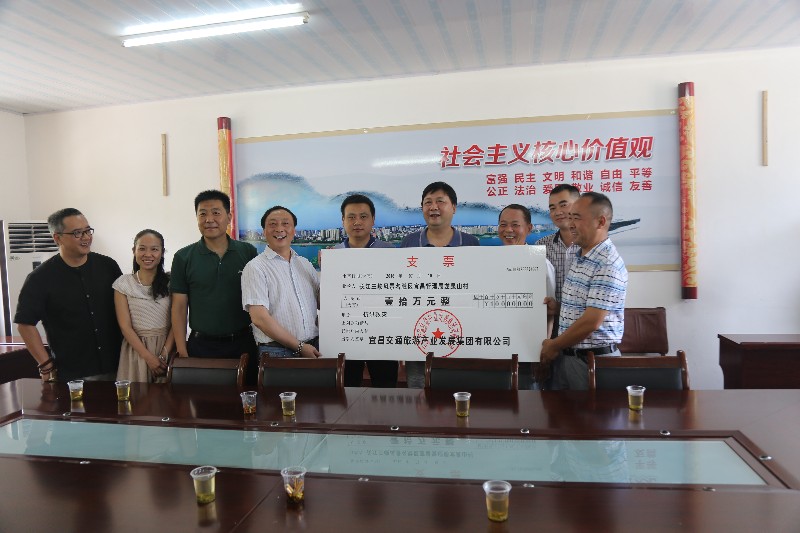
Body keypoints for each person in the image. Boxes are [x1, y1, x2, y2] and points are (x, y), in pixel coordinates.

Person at [14, 208, 122, 382]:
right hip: (74, 372)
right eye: (77, 233)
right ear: (57, 238)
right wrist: (45, 364)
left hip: (119, 365)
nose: (86, 237)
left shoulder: (108, 266)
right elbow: (25, 324)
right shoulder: (40, 278)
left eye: (88, 231)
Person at [540, 192, 628, 390]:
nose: (570, 224)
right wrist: (559, 308)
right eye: (570, 217)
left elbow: (592, 321)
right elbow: (585, 307)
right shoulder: (581, 257)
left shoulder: (607, 263)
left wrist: (554, 345)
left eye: (577, 218)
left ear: (600, 222)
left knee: (593, 412)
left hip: (593, 363)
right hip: (569, 358)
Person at [170, 190, 259, 384]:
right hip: (201, 346)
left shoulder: (247, 252)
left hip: (243, 344)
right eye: (202, 214)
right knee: (205, 400)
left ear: (229, 217)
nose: (209, 219)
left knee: (247, 398)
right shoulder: (183, 257)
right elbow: (179, 307)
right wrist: (182, 350)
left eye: (216, 213)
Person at [400, 181, 479, 388]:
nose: (433, 207)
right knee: (420, 396)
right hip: (418, 341)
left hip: (462, 339)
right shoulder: (408, 243)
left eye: (440, 201)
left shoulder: (471, 243)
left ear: (454, 207)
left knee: (461, 394)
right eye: (428, 202)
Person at [333, 194, 397, 387]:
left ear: (373, 219)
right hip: (347, 334)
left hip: (383, 333)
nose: (357, 222)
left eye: (363, 216)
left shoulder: (390, 252)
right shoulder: (333, 254)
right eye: (351, 217)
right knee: (346, 389)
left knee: (386, 391)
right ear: (343, 220)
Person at [242, 206, 322, 360]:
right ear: (264, 231)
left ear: (294, 230)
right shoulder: (255, 267)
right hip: (277, 352)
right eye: (273, 224)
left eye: (285, 224)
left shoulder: (305, 264)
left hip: (313, 346)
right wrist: (299, 346)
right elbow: (259, 318)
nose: (279, 229)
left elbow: (322, 303)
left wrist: (329, 272)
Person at [497, 204, 556, 389]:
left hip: (527, 354)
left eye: (515, 225)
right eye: (503, 224)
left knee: (525, 402)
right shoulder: (489, 261)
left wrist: (542, 354)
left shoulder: (541, 264)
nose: (508, 230)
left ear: (529, 228)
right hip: (493, 351)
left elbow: (549, 313)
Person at [113, 229, 174, 382]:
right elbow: (125, 326)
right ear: (134, 251)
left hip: (167, 348)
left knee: (165, 396)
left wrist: (164, 355)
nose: (148, 254)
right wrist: (148, 357)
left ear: (162, 252)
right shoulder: (123, 283)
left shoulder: (172, 281)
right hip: (136, 351)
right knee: (136, 395)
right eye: (142, 249)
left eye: (154, 249)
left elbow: (178, 321)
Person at [535, 184, 581, 337]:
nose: (557, 212)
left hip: (583, 327)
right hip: (549, 327)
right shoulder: (541, 246)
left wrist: (559, 308)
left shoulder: (591, 245)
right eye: (552, 208)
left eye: (563, 205)